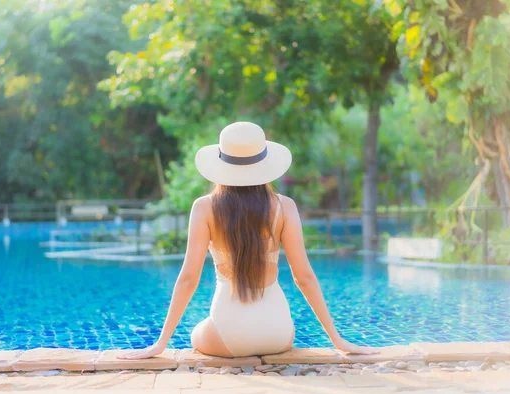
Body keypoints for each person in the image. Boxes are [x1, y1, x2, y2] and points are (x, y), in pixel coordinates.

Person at [119, 122, 378, 359]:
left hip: (228, 336)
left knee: (197, 332)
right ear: (264, 163)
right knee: (268, 324)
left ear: (221, 164)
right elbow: (305, 278)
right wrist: (338, 340)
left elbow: (189, 279)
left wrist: (159, 345)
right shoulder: (284, 207)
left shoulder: (205, 208)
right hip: (278, 334)